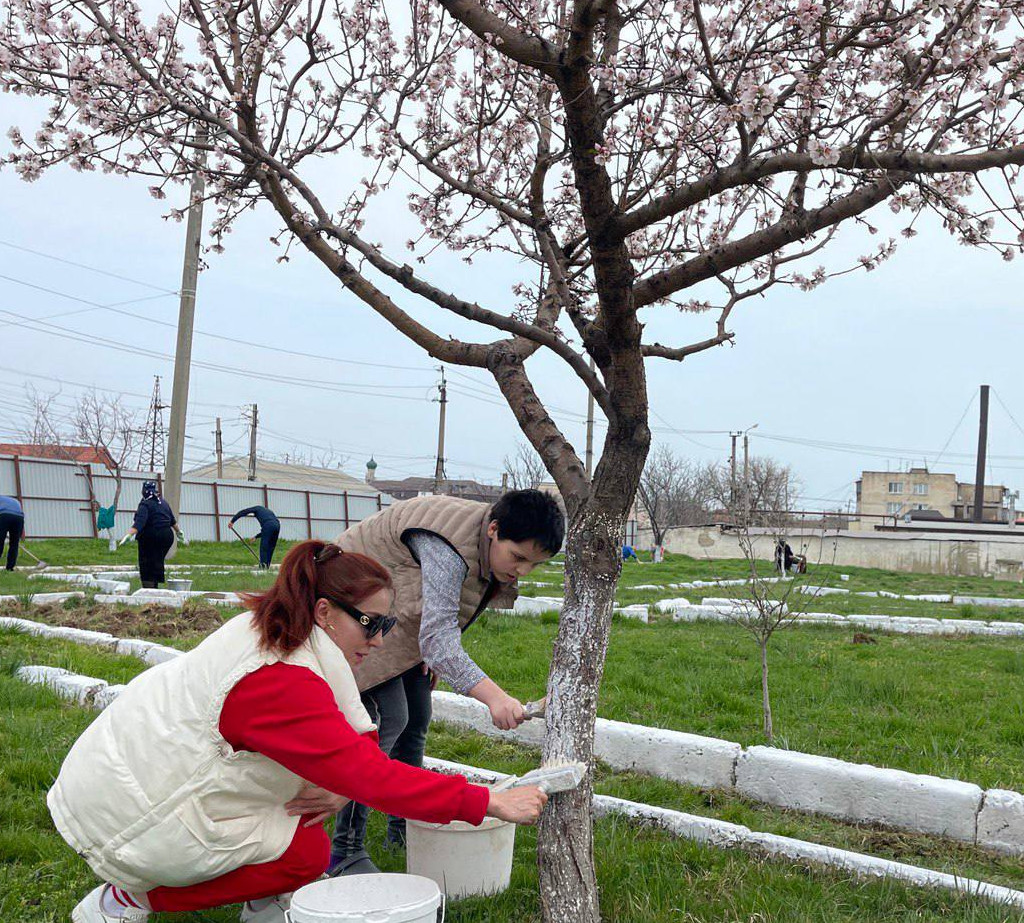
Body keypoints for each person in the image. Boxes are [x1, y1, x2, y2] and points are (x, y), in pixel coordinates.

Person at [53, 540, 547, 923]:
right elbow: (376, 778)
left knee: (304, 811)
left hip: (124, 771)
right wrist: (489, 803)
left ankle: (262, 903)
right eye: (371, 624)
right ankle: (127, 896)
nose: (378, 641)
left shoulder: (275, 628)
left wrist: (339, 781)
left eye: (387, 625)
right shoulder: (281, 682)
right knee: (307, 854)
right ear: (325, 612)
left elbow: (351, 737)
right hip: (133, 814)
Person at [329, 488, 564, 876]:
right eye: (518, 557)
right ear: (492, 529)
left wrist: (428, 652)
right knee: (386, 721)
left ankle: (403, 824)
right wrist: (493, 696)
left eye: (534, 565)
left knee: (416, 718)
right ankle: (345, 850)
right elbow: (437, 638)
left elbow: (438, 627)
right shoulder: (448, 545)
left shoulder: (481, 541)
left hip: (396, 615)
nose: (522, 571)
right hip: (355, 611)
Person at [122, 481, 176, 588]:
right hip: (167, 537)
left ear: (143, 491)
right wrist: (179, 533)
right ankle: (154, 587)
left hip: (151, 537)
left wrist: (128, 535)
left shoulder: (145, 504)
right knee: (156, 561)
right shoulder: (163, 502)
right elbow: (172, 521)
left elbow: (139, 523)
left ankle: (149, 589)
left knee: (147, 564)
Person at [0, 494, 25, 571]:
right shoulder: (15, 501)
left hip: (4, 515)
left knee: (0, 542)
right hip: (19, 518)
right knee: (14, 543)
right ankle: (10, 568)